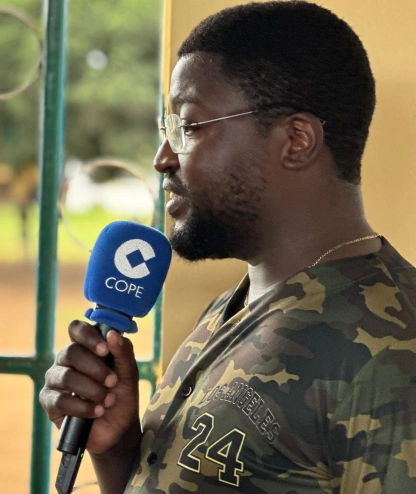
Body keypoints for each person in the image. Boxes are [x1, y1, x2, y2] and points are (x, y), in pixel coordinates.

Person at [40, 2, 416, 493]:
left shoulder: (393, 353)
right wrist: (118, 451)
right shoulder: (233, 306)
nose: (162, 159)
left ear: (296, 140)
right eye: (167, 129)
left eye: (189, 127)